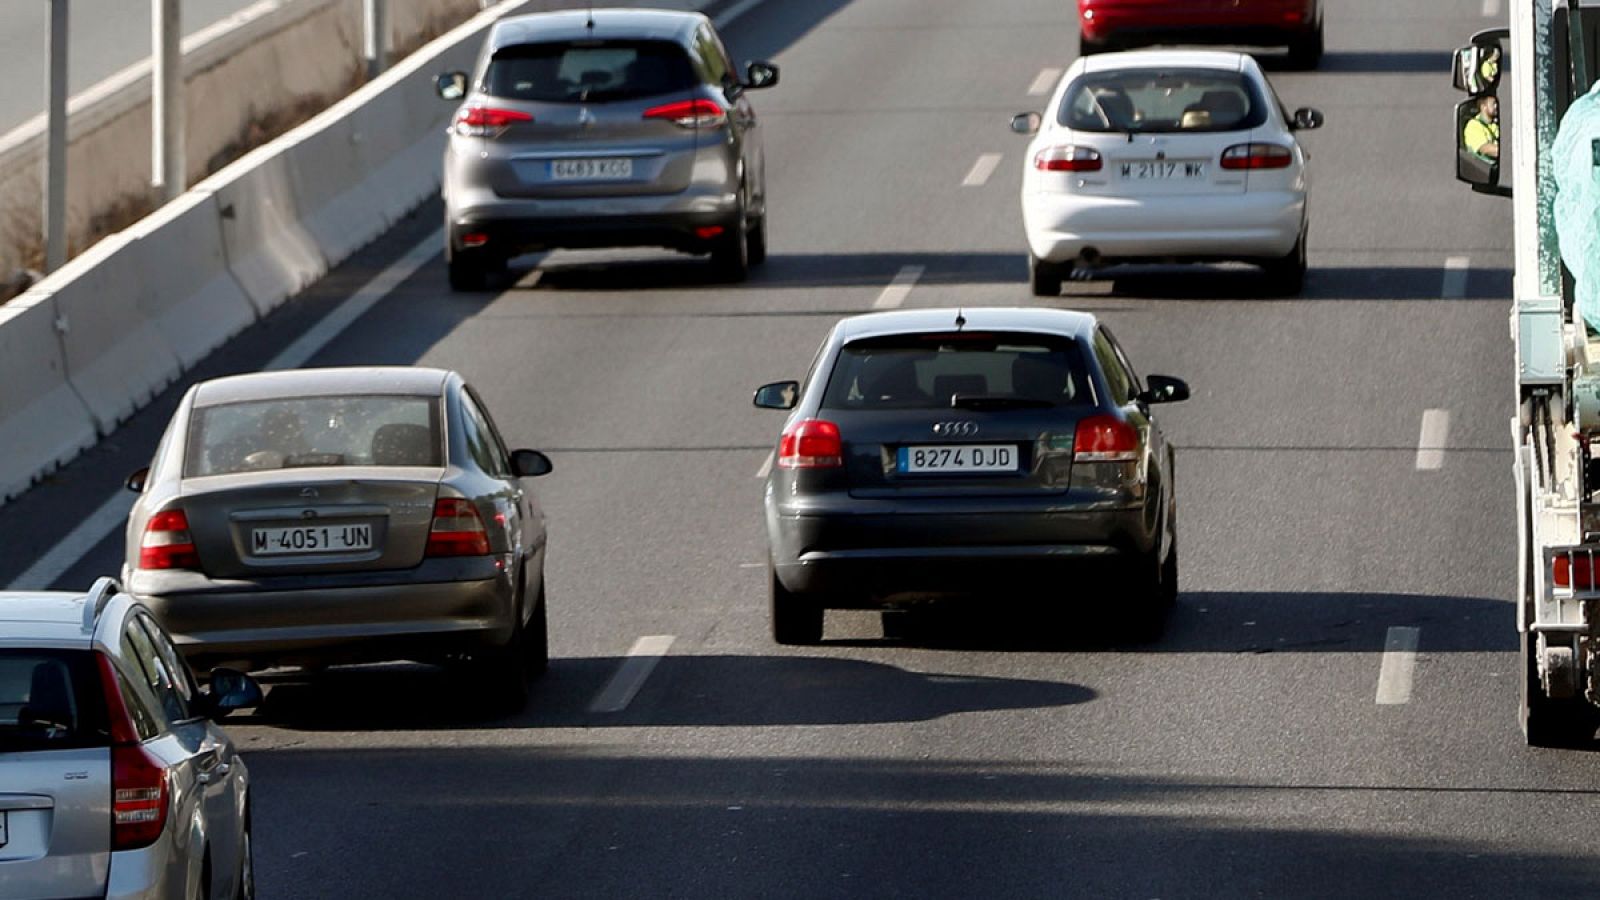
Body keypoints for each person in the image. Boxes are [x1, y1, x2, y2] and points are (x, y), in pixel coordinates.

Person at [1464, 94, 1499, 161]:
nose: (1496, 106)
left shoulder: (1495, 125)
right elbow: (1485, 149)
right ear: (1483, 107)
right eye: (1493, 103)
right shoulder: (1473, 125)